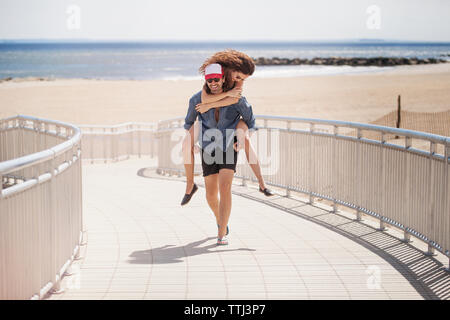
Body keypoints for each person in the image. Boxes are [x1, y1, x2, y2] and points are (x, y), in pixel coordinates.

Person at [180, 50, 273, 207]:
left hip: (236, 126)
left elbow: (246, 115)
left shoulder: (236, 89)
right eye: (238, 77)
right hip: (211, 136)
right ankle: (190, 185)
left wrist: (210, 105)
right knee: (186, 143)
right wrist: (194, 140)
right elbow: (202, 102)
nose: (240, 82)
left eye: (243, 79)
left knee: (247, 138)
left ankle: (262, 183)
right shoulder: (201, 93)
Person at [183, 63, 256, 245]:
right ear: (206, 81)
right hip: (208, 148)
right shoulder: (195, 100)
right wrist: (191, 141)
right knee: (210, 195)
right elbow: (189, 122)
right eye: (209, 80)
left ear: (223, 78)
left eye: (216, 79)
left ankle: (221, 233)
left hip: (228, 147)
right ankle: (219, 220)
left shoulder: (237, 99)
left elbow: (251, 121)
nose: (213, 83)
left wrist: (243, 133)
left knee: (225, 189)